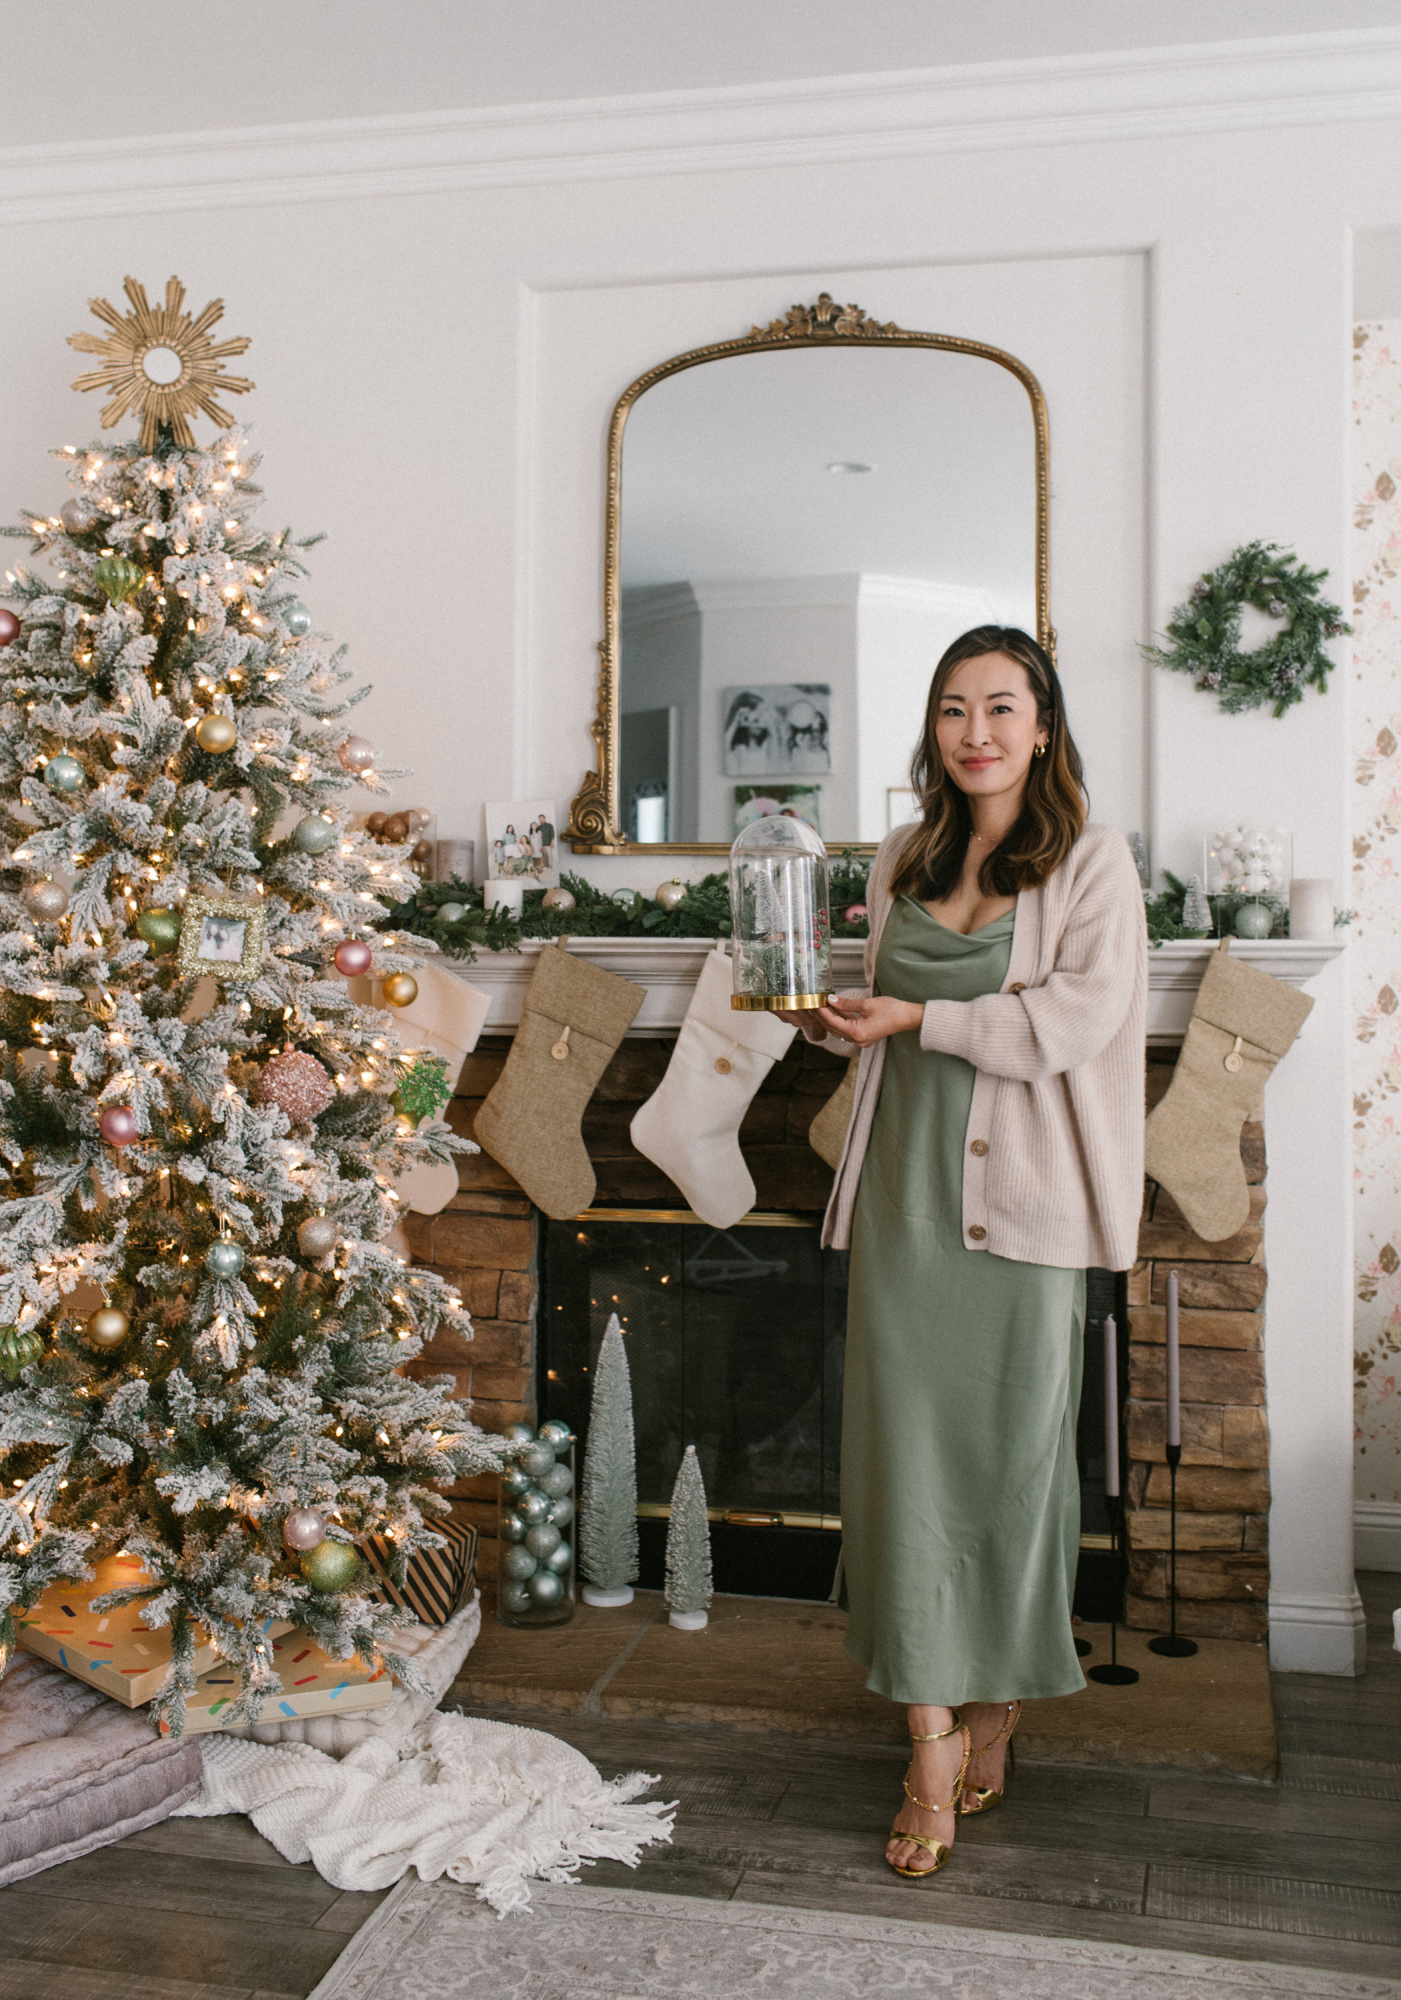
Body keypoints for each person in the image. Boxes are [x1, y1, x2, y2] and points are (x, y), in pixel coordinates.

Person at [779, 626, 1146, 1882]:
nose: (975, 730)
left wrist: (922, 1015)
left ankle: (998, 1691)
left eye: (1000, 705)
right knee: (903, 1466)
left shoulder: (1091, 861)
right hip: (903, 1205)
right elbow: (888, 1017)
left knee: (1011, 1467)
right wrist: (839, 1021)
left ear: (1043, 723)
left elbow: (1076, 1017)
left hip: (1025, 1214)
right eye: (952, 708)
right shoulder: (902, 854)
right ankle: (930, 1738)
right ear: (933, 729)